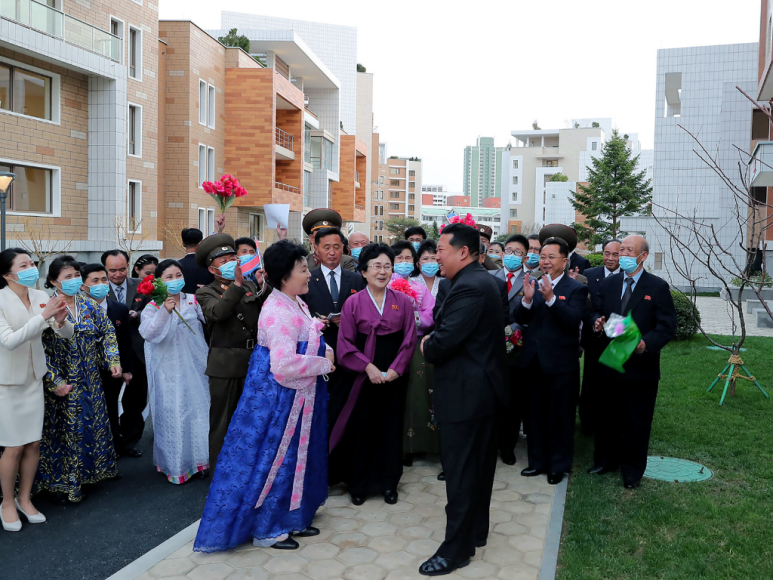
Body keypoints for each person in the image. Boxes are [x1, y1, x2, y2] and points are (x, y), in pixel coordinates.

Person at [194, 240, 333, 552]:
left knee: (294, 458)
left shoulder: (293, 301)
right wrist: (324, 362)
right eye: (302, 269)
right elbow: (283, 366)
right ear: (284, 276)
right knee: (275, 461)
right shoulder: (277, 311)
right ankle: (267, 528)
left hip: (296, 399)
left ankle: (290, 516)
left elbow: (304, 337)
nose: (308, 274)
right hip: (278, 402)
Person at [418, 224, 507, 576]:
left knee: (461, 473)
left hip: (467, 396)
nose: (436, 255)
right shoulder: (478, 281)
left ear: (464, 252)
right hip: (479, 392)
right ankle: (475, 533)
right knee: (477, 470)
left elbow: (442, 342)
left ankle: (455, 549)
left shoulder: (470, 286)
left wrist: (428, 344)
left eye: (441, 249)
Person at [332, 243, 417, 506]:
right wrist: (367, 367)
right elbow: (344, 343)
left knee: (390, 428)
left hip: (393, 376)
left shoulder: (403, 302)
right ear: (364, 271)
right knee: (361, 427)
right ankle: (359, 483)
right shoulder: (353, 302)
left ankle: (389, 482)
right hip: (361, 375)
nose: (382, 271)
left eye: (387, 266)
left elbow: (409, 340)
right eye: (376, 266)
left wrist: (396, 369)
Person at [589, 235, 676, 489]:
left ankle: (632, 470)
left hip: (641, 368)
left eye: (628, 251)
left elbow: (667, 326)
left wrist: (645, 344)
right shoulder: (609, 284)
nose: (622, 255)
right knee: (607, 417)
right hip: (611, 361)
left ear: (643, 256)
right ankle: (605, 460)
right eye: (621, 250)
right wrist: (597, 321)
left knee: (636, 421)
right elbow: (597, 310)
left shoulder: (657, 287)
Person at [38, 256, 122, 504]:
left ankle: (91, 474)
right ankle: (65, 483)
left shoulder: (89, 305)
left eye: (76, 275)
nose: (74, 280)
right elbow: (39, 349)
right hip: (63, 381)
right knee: (66, 432)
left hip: (91, 379)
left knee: (92, 427)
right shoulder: (47, 308)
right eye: (67, 277)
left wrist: (112, 359)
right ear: (54, 282)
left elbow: (107, 332)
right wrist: (54, 381)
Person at [0, 249, 71, 532]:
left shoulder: (42, 296)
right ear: (7, 274)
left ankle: (24, 498)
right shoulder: (1, 300)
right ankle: (6, 502)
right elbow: (10, 341)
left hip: (34, 380)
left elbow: (65, 333)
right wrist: (44, 319)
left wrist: (62, 320)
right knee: (13, 446)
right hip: (7, 384)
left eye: (32, 263)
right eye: (24, 265)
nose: (31, 268)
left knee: (33, 444)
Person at [514, 237, 588, 486]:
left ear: (565, 261)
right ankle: (537, 462)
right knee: (534, 415)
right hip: (533, 361)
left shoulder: (575, 288)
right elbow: (519, 317)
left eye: (550, 257)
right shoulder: (532, 283)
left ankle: (557, 466)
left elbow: (573, 320)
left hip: (561, 364)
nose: (544, 261)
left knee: (560, 416)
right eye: (542, 256)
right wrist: (526, 300)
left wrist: (551, 299)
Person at [196, 235, 270, 472]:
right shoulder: (206, 292)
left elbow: (264, 315)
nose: (231, 263)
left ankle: (248, 470)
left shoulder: (249, 284)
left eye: (233, 258)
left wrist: (263, 286)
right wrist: (237, 286)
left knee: (254, 420)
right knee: (223, 423)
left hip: (253, 361)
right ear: (211, 268)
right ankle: (221, 474)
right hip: (225, 365)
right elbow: (217, 313)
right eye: (224, 261)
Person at [140, 259, 210, 483]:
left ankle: (202, 460)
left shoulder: (194, 300)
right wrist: (165, 312)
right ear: (159, 281)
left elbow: (210, 322)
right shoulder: (153, 306)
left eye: (178, 275)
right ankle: (176, 465)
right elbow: (149, 334)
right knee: (175, 413)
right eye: (169, 277)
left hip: (197, 366)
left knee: (200, 411)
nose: (175, 280)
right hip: (169, 372)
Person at [303, 223, 365, 445]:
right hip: (320, 351)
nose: (331, 252)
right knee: (324, 408)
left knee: (350, 407)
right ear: (316, 250)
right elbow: (301, 314)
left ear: (344, 249)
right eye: (326, 247)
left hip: (351, 349)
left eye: (337, 247)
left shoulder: (357, 279)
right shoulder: (308, 279)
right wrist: (316, 322)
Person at [81, 263, 135, 456]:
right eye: (94, 280)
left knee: (111, 411)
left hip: (113, 371)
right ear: (83, 285)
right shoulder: (78, 309)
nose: (101, 284)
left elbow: (126, 342)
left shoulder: (119, 308)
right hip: (85, 371)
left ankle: (113, 452)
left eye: (104, 279)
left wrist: (127, 368)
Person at [392, 241, 437, 461]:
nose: (403, 262)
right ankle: (397, 446)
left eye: (408, 258)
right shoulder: (384, 284)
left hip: (417, 348)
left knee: (418, 395)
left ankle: (417, 444)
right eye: (399, 258)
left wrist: (414, 316)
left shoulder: (419, 288)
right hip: (391, 348)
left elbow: (431, 315)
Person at [490, 234, 530, 465]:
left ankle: (508, 446)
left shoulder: (531, 280)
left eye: (519, 252)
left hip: (516, 349)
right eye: (510, 251)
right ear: (503, 254)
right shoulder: (488, 277)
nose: (513, 256)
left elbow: (532, 312)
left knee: (512, 401)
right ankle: (490, 443)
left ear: (525, 257)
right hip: (489, 348)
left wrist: (511, 330)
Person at [579, 239, 621, 436]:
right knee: (590, 382)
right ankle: (587, 424)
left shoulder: (626, 277)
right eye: (606, 253)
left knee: (612, 383)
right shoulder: (589, 274)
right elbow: (586, 307)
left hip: (618, 340)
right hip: (594, 339)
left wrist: (611, 327)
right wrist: (596, 322)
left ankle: (610, 423)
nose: (610, 258)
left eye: (615, 254)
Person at [179, 228, 214, 294]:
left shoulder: (177, 265)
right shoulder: (209, 263)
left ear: (183, 243)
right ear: (200, 243)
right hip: (207, 300)